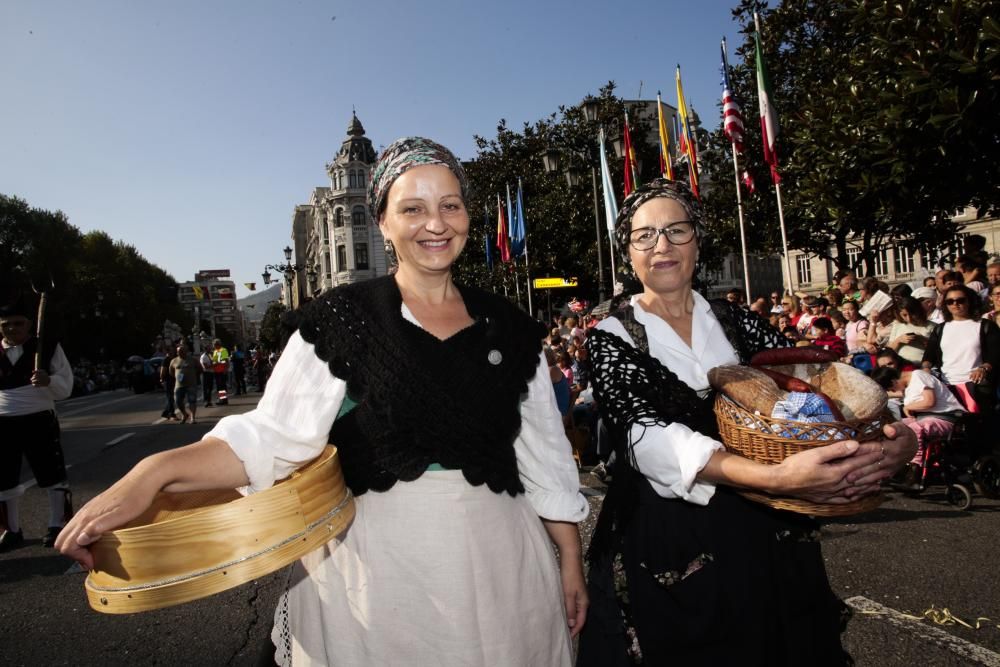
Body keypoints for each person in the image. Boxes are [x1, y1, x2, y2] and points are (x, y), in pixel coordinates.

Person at [58, 137, 588, 666]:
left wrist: (569, 558)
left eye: (451, 205)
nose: (437, 222)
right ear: (382, 222)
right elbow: (270, 438)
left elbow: (546, 461)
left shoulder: (513, 329)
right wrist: (152, 473)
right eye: (413, 208)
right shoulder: (343, 319)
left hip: (506, 579)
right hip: (375, 589)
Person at [575, 179, 915, 666]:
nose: (662, 245)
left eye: (677, 230)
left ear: (698, 239)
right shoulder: (611, 334)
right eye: (644, 235)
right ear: (627, 252)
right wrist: (774, 476)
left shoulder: (738, 321)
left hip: (767, 527)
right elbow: (643, 437)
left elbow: (819, 389)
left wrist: (894, 435)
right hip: (672, 530)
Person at [0, 296, 74, 550]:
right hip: (3, 422)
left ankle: (58, 524)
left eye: (18, 323)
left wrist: (49, 381)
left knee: (51, 472)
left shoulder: (47, 347)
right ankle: (11, 530)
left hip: (38, 418)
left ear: (29, 325)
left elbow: (66, 385)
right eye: (6, 324)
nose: (12, 329)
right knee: (4, 478)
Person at [871, 366, 966, 489]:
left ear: (894, 381)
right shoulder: (908, 387)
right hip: (925, 419)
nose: (893, 392)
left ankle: (915, 469)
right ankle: (893, 466)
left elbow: (930, 401)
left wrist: (908, 407)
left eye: (891, 389)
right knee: (893, 427)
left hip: (946, 418)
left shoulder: (919, 376)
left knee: (915, 428)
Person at [922, 284, 1000, 414]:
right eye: (950, 301)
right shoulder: (940, 328)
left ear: (970, 301)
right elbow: (929, 356)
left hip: (977, 387)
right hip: (947, 386)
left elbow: (995, 354)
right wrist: (926, 368)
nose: (955, 304)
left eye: (960, 300)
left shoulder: (985, 326)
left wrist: (983, 368)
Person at [885, 296, 933, 366]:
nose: (909, 318)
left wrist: (921, 339)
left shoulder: (931, 326)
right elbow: (888, 351)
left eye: (912, 314)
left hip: (921, 365)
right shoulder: (897, 325)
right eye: (904, 315)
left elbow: (936, 350)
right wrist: (899, 340)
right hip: (901, 366)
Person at [169, 343, 202, 424]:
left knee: (192, 401)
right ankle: (184, 414)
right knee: (177, 401)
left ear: (185, 351)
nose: (179, 353)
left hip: (191, 384)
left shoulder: (193, 360)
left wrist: (193, 376)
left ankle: (192, 418)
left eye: (181, 351)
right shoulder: (174, 361)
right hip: (179, 385)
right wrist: (178, 377)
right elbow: (171, 372)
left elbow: (200, 369)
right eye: (178, 351)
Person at [159, 347, 178, 420]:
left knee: (171, 398)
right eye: (171, 350)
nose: (173, 352)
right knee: (170, 398)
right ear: (168, 352)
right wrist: (161, 379)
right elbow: (162, 371)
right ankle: (172, 414)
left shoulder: (173, 359)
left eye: (173, 351)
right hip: (168, 381)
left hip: (173, 380)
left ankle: (165, 413)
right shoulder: (166, 360)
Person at [210, 339, 230, 405]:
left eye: (214, 345)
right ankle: (223, 399)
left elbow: (226, 361)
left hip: (222, 371)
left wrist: (224, 369)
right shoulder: (215, 351)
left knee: (222, 386)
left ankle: (223, 399)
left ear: (218, 344)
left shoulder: (223, 350)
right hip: (217, 371)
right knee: (219, 386)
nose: (213, 346)